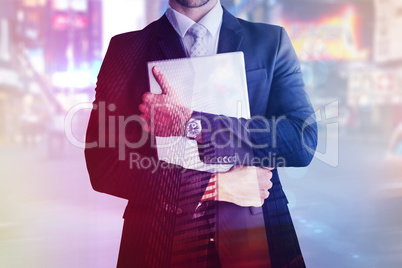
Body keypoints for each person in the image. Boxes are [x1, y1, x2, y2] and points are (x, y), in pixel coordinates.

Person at [84, 0, 317, 267]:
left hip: (258, 235)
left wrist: (191, 123)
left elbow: (303, 138)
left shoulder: (270, 41)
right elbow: (104, 165)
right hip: (158, 243)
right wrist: (212, 187)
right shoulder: (124, 50)